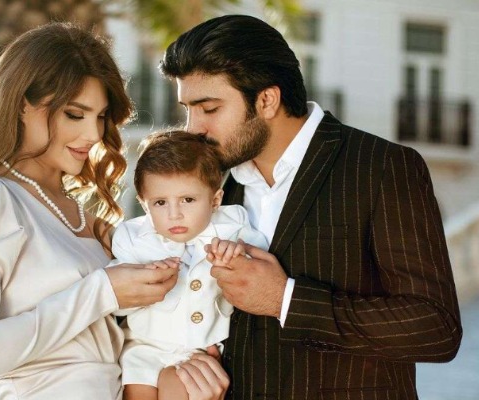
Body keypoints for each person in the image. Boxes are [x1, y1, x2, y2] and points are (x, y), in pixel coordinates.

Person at [160, 14, 463, 400]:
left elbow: (436, 328)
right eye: (187, 109)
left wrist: (284, 299)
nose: (192, 128)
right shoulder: (214, 187)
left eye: (209, 108)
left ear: (267, 100)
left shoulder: (381, 166)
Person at [0, 22, 185, 400]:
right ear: (23, 104)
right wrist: (102, 291)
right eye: (75, 114)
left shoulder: (82, 216)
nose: (93, 135)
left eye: (100, 117)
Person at [109, 131, 267, 400]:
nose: (175, 214)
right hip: (145, 346)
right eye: (160, 203)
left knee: (179, 387)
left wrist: (237, 257)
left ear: (215, 200)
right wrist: (145, 278)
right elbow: (117, 302)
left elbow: (258, 269)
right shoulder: (131, 238)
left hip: (199, 351)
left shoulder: (232, 226)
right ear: (144, 205)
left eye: (188, 200)